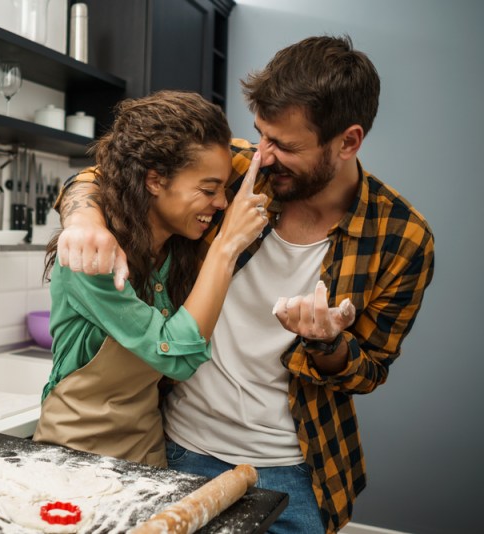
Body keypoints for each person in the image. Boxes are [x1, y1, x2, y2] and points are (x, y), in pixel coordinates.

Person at [53, 35, 435, 534]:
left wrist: (329, 344)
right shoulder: (230, 170)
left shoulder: (401, 238)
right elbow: (106, 173)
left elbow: (370, 371)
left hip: (296, 473)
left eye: (286, 145)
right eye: (261, 135)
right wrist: (83, 219)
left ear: (348, 142)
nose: (265, 156)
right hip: (176, 447)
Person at [33, 90, 268, 468]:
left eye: (223, 189)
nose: (223, 203)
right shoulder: (92, 258)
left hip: (149, 453)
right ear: (155, 181)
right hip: (74, 456)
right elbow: (176, 356)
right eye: (209, 190)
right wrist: (227, 247)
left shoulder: (178, 244)